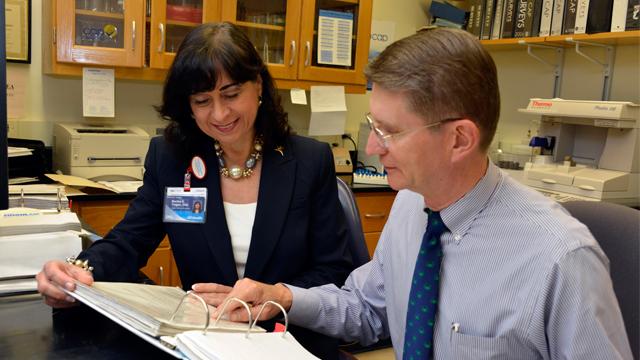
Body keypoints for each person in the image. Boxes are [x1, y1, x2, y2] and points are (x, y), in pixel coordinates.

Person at [215, 28, 633, 359]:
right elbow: (369, 309)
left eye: (390, 132)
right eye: (374, 127)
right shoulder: (412, 204)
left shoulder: (559, 260)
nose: (374, 148)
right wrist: (279, 296)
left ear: (459, 139)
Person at [36, 22, 353, 359]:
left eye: (231, 94)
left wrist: (276, 295)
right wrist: (79, 271)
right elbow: (130, 241)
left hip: (291, 340)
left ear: (258, 84)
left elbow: (334, 270)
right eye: (202, 100)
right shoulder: (172, 159)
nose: (219, 113)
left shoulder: (308, 161)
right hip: (203, 343)